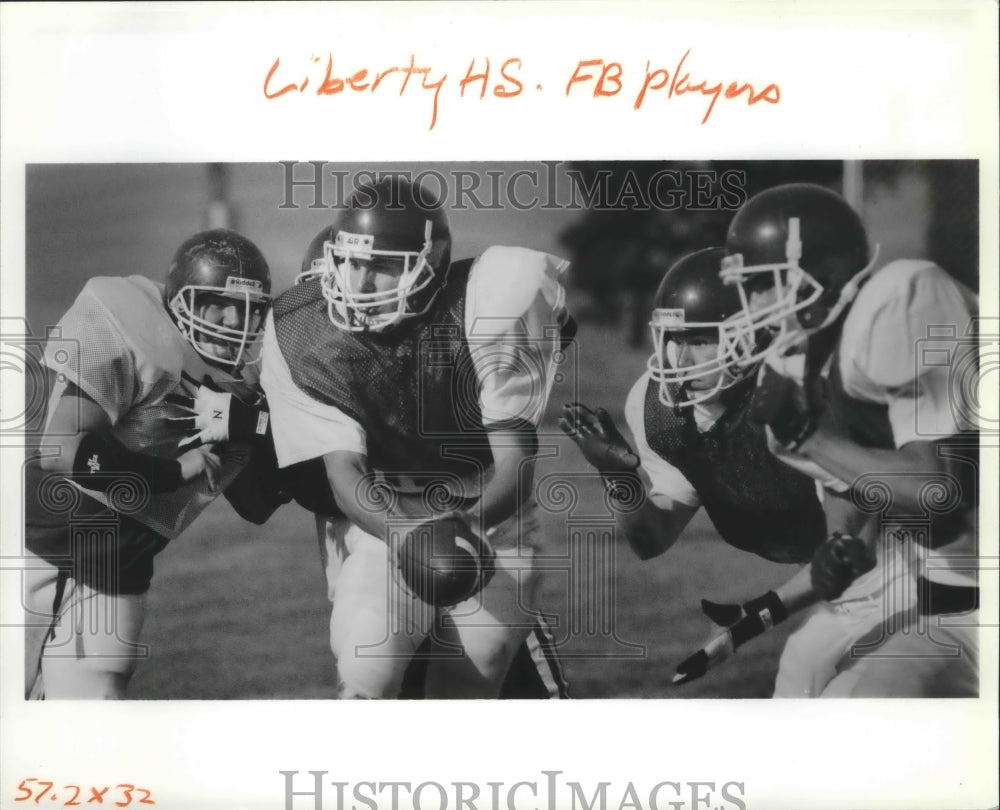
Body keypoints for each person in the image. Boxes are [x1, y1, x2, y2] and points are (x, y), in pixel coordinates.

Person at [260, 176, 573, 699]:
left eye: (381, 265)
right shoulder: (301, 330)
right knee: (367, 668)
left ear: (429, 264)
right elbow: (344, 473)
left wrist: (463, 528)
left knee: (473, 679)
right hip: (385, 521)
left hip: (489, 515)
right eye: (351, 262)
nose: (358, 285)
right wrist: (408, 535)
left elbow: (516, 465)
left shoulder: (488, 302)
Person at [720, 182, 979, 697]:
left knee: (867, 705)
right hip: (951, 584)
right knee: (822, 691)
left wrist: (809, 436)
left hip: (970, 584)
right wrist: (840, 552)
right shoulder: (799, 371)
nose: (747, 306)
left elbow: (938, 490)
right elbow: (856, 500)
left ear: (817, 274)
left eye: (760, 285)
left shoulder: (899, 299)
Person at [559, 246, 856, 696]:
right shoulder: (657, 410)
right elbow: (650, 539)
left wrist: (754, 619)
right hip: (838, 567)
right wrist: (618, 477)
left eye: (699, 340)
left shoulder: (802, 394)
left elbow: (855, 547)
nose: (678, 361)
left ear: (753, 336)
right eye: (673, 339)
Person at [24, 229, 286, 699]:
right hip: (43, 549)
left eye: (250, 309)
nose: (235, 321)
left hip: (120, 566)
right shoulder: (136, 330)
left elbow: (257, 503)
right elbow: (60, 448)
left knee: (94, 725)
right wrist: (170, 471)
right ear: (183, 301)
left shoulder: (239, 390)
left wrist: (262, 423)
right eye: (217, 304)